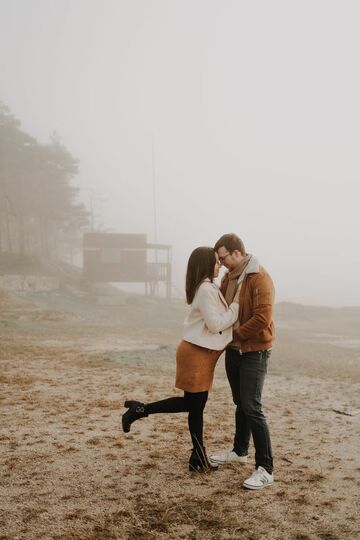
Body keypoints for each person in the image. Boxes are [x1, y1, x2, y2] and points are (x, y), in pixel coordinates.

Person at [122, 246, 241, 472]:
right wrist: (236, 306)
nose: (219, 265)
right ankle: (140, 410)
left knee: (196, 406)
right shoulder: (206, 289)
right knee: (193, 404)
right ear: (206, 264)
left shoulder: (207, 287)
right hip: (196, 353)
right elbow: (215, 324)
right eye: (216, 261)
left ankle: (198, 458)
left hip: (202, 353)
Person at [209, 233, 275, 490]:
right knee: (240, 403)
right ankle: (239, 451)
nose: (221, 263)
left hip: (254, 351)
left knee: (251, 405)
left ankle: (266, 468)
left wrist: (232, 334)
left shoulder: (259, 277)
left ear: (237, 252)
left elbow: (262, 318)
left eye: (223, 257)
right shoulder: (228, 278)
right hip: (233, 351)